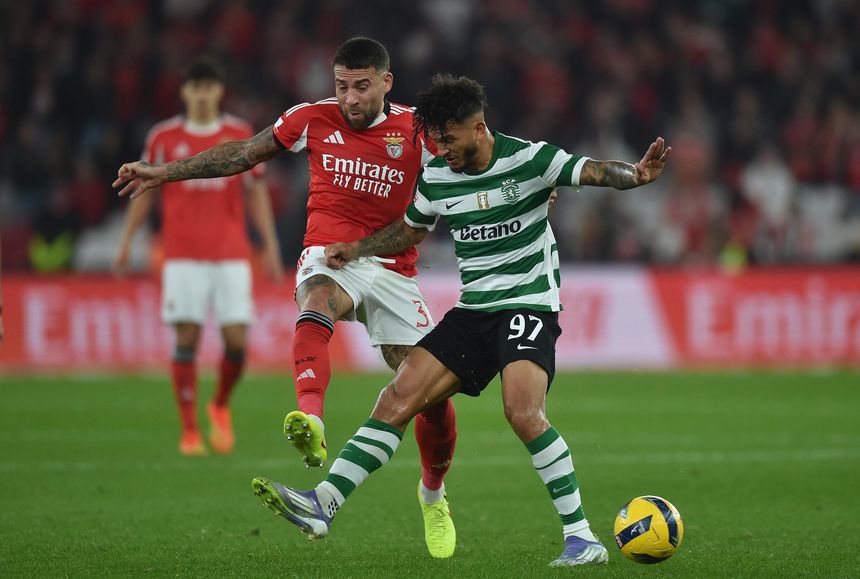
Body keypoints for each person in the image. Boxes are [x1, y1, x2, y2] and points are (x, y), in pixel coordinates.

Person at [249, 74, 672, 566]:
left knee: (521, 411)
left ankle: (582, 538)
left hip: (528, 304)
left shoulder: (530, 159)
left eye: (448, 139)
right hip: (474, 311)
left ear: (477, 127)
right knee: (398, 396)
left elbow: (596, 171)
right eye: (434, 139)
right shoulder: (437, 178)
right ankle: (324, 502)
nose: (440, 149)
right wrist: (358, 248)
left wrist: (636, 175)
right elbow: (408, 231)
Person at [113, 38, 458, 558]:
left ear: (386, 83)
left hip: (392, 265)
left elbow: (476, 149)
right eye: (342, 86)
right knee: (316, 301)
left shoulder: (415, 128)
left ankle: (433, 494)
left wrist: (532, 184)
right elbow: (242, 154)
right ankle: (311, 420)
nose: (350, 98)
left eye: (362, 87)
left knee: (431, 395)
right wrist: (165, 173)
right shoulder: (310, 118)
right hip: (329, 255)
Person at [113, 57, 284, 456]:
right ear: (185, 92)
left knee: (236, 343)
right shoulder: (163, 136)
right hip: (182, 254)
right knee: (186, 338)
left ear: (219, 91)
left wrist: (271, 245)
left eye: (210, 87)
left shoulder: (239, 132)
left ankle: (220, 404)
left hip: (231, 254)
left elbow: (255, 191)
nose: (203, 94)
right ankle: (190, 430)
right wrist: (126, 241)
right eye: (196, 87)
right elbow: (144, 191)